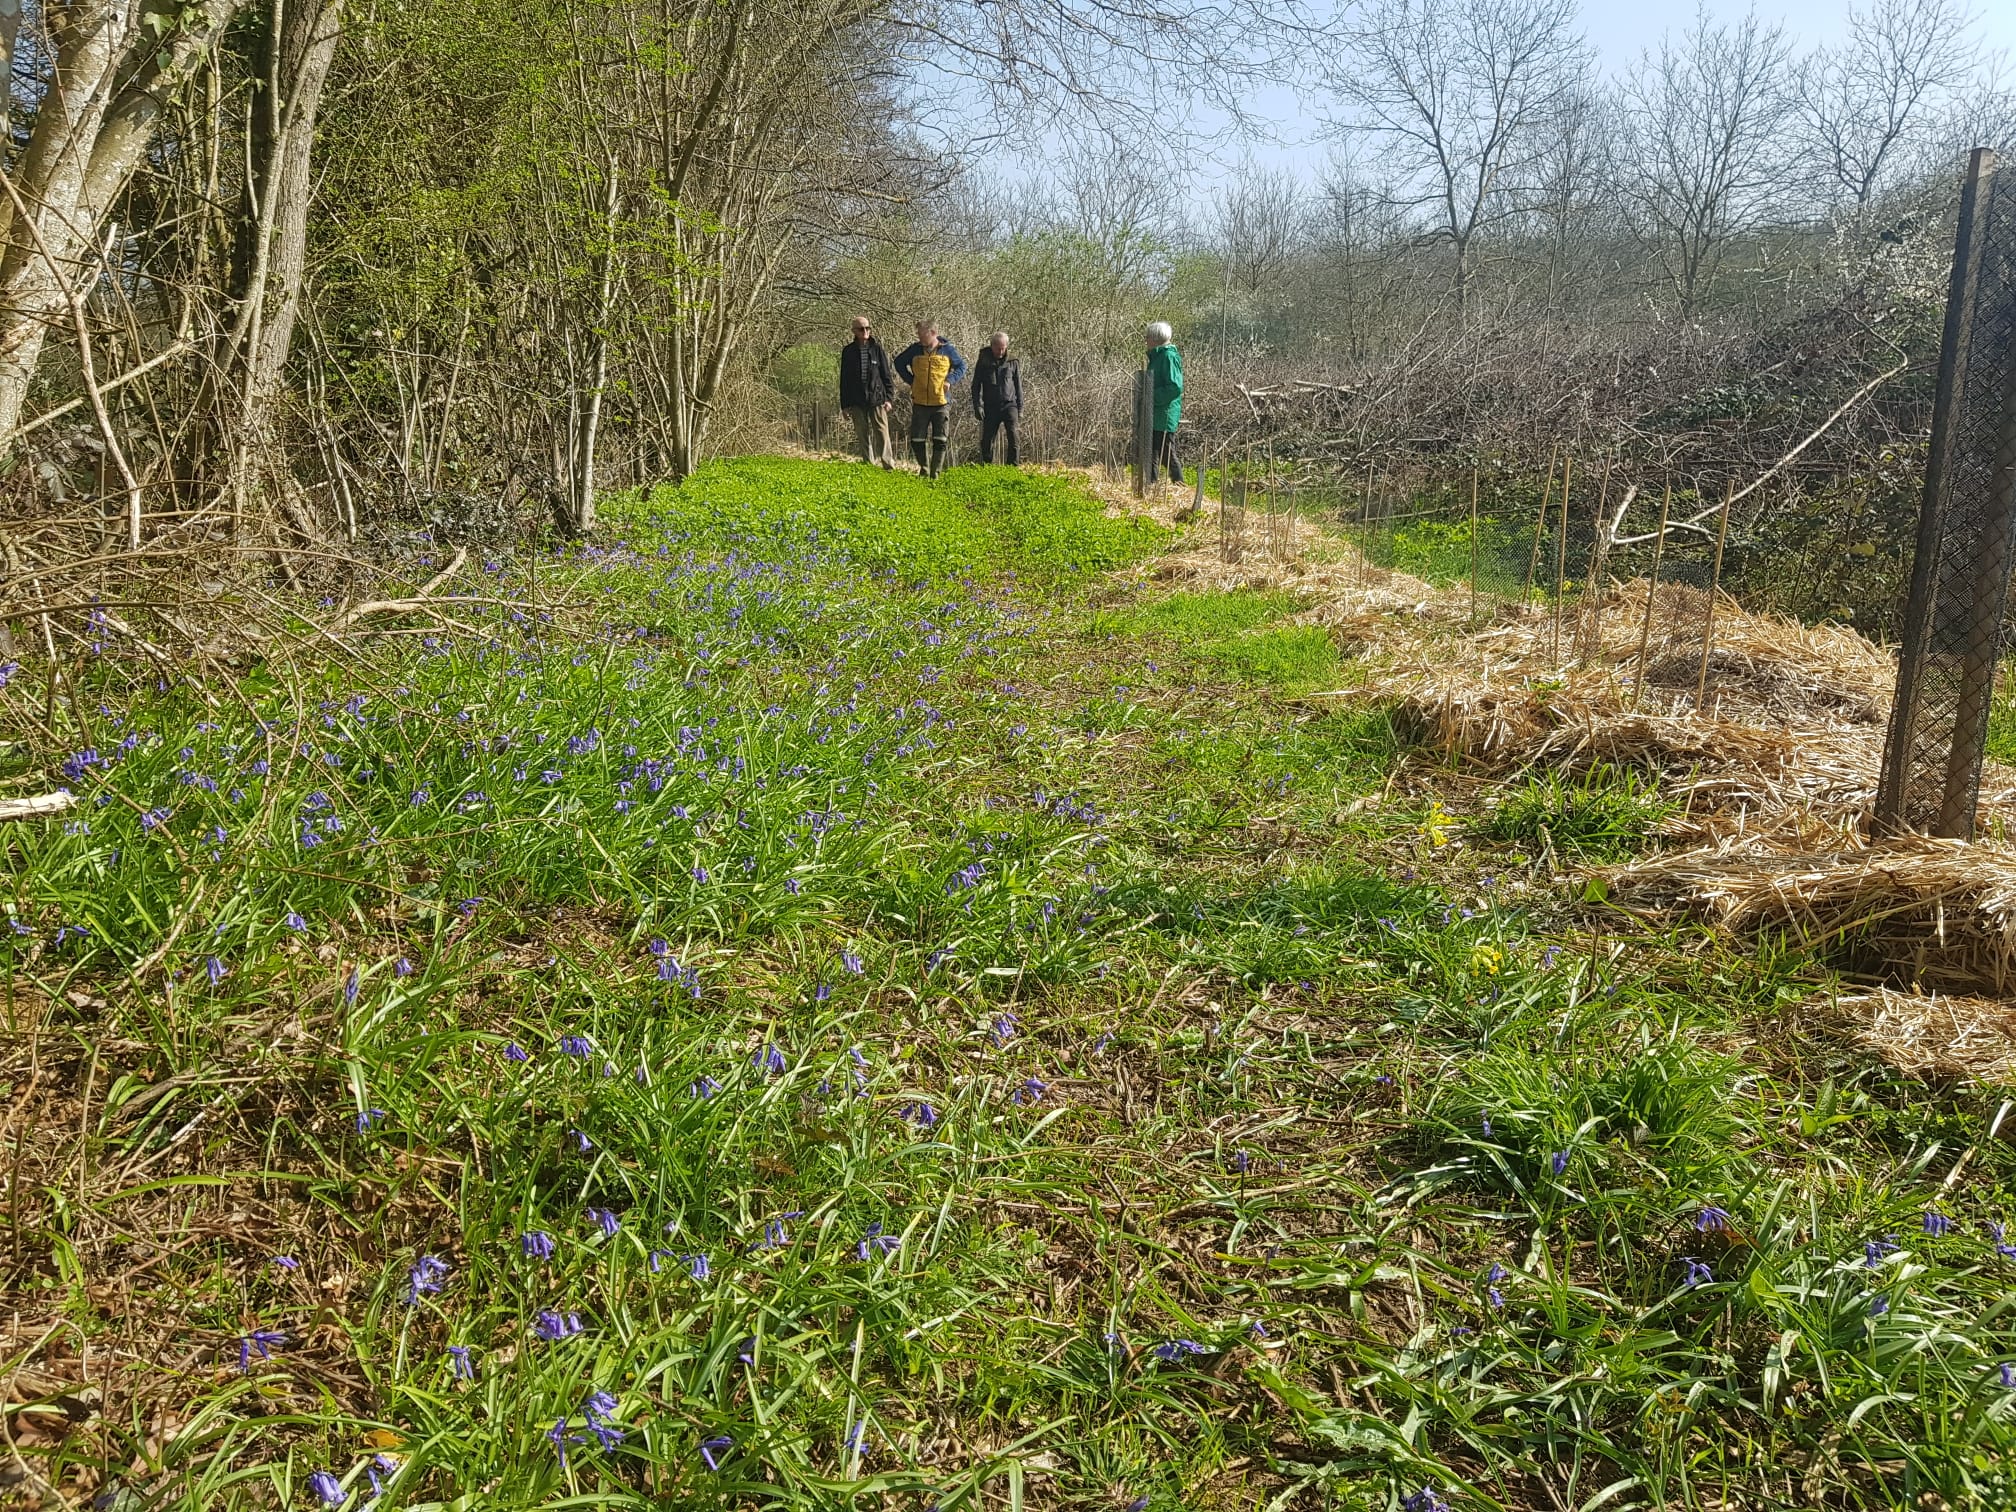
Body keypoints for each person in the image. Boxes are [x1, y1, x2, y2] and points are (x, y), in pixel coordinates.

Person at [892, 320, 966, 478]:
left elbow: (962, 367)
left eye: (922, 334)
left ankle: (935, 473)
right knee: (917, 439)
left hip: (941, 402)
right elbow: (898, 362)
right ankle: (924, 469)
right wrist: (911, 381)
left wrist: (950, 380)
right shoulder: (914, 349)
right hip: (920, 402)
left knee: (940, 439)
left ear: (933, 333)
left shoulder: (948, 350)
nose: (919, 337)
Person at [838, 315, 895, 468]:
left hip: (877, 398)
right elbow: (844, 380)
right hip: (857, 399)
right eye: (861, 329)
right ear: (854, 331)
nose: (865, 331)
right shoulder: (848, 351)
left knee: (882, 432)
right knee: (862, 434)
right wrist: (845, 405)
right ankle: (868, 464)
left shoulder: (877, 349)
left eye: (867, 328)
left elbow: (886, 375)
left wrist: (889, 398)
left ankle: (888, 465)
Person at [970, 331, 1023, 466]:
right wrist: (977, 406)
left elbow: (1018, 386)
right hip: (990, 406)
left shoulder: (1013, 361)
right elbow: (976, 385)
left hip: (1009, 405)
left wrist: (1020, 408)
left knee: (1014, 437)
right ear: (992, 346)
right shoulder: (983, 361)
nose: (1000, 352)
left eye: (1003, 348)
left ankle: (1012, 468)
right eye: (998, 348)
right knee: (987, 440)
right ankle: (987, 467)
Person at [1145, 320, 1184, 485]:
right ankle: (1151, 484)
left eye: (1147, 337)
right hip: (1156, 412)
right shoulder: (1158, 356)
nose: (1146, 340)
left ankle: (1179, 483)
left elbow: (1174, 387)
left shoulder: (1168, 356)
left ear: (1155, 338)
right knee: (1152, 451)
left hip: (1165, 413)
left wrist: (1152, 397)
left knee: (1166, 451)